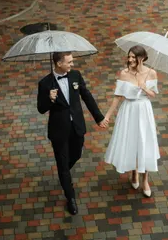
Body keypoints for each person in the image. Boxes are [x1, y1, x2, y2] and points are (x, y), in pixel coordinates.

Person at [37, 52, 105, 215]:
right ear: (59, 63)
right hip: (59, 131)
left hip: (77, 127)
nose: (72, 64)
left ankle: (63, 173)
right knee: (63, 164)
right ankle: (71, 198)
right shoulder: (45, 83)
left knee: (76, 154)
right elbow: (41, 108)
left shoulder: (75, 75)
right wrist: (50, 99)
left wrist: (99, 118)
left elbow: (86, 96)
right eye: (69, 62)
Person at [102, 45, 160, 197]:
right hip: (128, 110)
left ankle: (145, 179)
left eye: (134, 57)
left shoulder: (151, 73)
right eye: (129, 57)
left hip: (144, 111)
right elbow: (117, 97)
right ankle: (134, 172)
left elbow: (153, 94)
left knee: (145, 143)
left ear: (142, 58)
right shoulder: (124, 74)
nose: (130, 60)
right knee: (132, 142)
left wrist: (145, 88)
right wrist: (107, 116)